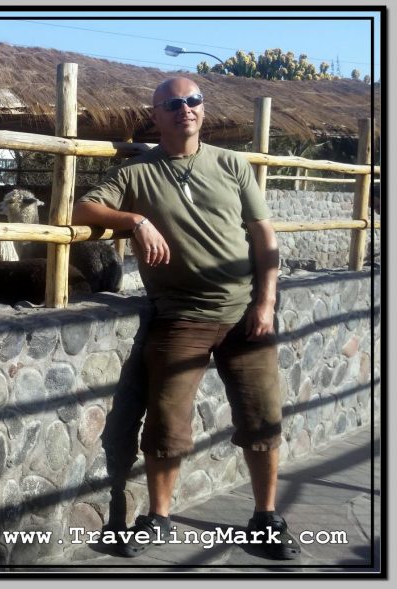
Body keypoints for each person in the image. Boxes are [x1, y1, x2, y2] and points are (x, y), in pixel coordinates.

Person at [73, 77, 299, 560]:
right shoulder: (137, 173)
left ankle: (265, 518)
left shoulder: (231, 163)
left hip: (245, 313)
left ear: (203, 108)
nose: (185, 109)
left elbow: (264, 236)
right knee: (166, 423)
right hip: (180, 316)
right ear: (156, 114)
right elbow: (83, 205)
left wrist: (266, 303)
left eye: (193, 100)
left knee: (262, 418)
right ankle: (159, 518)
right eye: (173, 104)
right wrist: (135, 220)